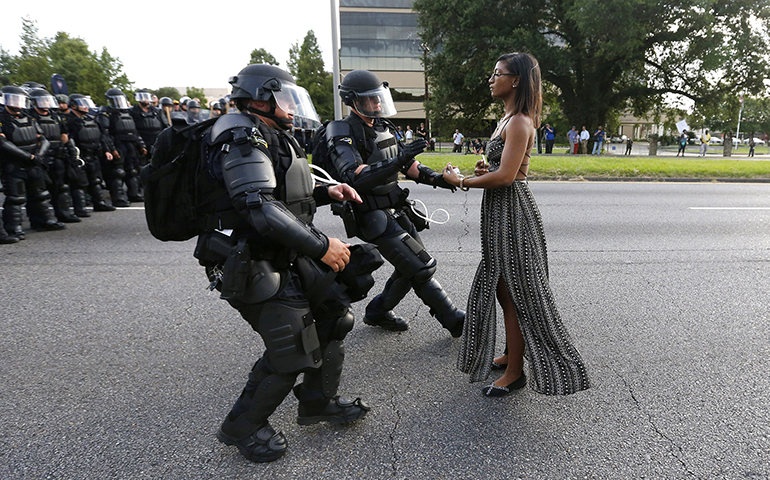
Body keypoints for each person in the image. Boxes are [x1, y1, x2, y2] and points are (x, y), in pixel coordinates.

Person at [194, 64, 371, 463]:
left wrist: (329, 191)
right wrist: (323, 246)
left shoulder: (266, 133)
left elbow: (284, 193)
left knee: (333, 316)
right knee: (291, 348)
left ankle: (316, 401)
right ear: (260, 98)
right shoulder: (240, 135)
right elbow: (259, 207)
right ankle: (242, 426)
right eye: (285, 98)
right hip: (250, 259)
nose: (292, 107)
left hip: (283, 252)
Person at [444, 53, 590, 397]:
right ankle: (512, 353)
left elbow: (508, 177)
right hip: (500, 211)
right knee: (501, 287)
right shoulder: (506, 119)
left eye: (498, 74)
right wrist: (484, 171)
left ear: (516, 80)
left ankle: (516, 372)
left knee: (517, 293)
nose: (492, 79)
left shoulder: (521, 121)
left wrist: (461, 180)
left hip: (513, 213)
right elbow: (499, 169)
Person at [323, 69, 465, 336]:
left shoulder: (383, 127)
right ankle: (454, 320)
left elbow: (408, 164)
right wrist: (398, 162)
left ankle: (377, 311)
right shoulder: (341, 130)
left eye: (379, 98)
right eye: (370, 99)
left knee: (410, 266)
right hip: (370, 213)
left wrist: (439, 179)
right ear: (352, 101)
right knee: (421, 266)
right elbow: (353, 175)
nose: (377, 104)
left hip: (396, 208)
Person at [0, 85, 66, 240]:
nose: (17, 103)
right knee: (16, 198)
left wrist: (38, 155)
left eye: (19, 100)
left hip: (34, 162)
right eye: (13, 99)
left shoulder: (29, 118)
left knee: (40, 194)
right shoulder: (2, 120)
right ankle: (13, 228)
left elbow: (43, 138)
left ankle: (43, 221)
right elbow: (3, 143)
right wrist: (28, 157)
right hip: (14, 165)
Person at [28, 88, 85, 223]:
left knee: (61, 187)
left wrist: (69, 152)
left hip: (58, 155)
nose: (46, 103)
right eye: (43, 100)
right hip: (40, 157)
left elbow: (64, 135)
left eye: (47, 100)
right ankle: (41, 220)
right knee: (39, 190)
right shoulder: (30, 116)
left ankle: (63, 214)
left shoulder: (55, 116)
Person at [64, 94, 117, 212]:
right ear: (73, 105)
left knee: (96, 180)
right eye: (82, 104)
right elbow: (67, 140)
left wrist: (106, 150)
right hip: (79, 156)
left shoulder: (91, 119)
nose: (86, 107)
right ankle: (80, 208)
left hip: (94, 155)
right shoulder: (68, 121)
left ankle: (99, 203)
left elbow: (101, 137)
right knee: (79, 183)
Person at [97, 88, 147, 205]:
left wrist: (141, 145)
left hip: (130, 144)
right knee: (118, 172)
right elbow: (105, 133)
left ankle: (134, 194)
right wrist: (111, 148)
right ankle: (118, 198)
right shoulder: (106, 113)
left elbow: (134, 130)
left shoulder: (127, 112)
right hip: (117, 143)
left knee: (133, 170)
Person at [129, 89, 166, 154]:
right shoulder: (132, 111)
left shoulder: (157, 111)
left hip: (157, 142)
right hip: (140, 142)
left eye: (146, 97)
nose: (145, 99)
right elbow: (132, 129)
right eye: (142, 97)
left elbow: (165, 126)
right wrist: (141, 144)